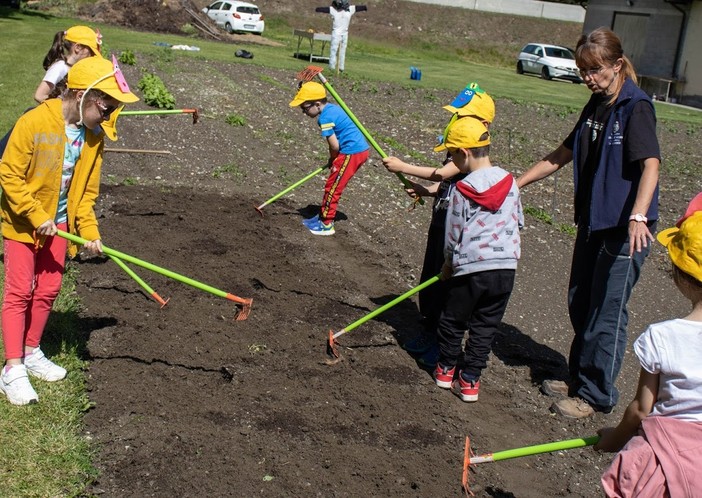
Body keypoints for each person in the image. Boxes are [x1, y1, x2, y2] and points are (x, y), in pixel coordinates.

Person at [516, 27, 661, 418]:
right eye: (583, 71)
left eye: (594, 71)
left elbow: (651, 164)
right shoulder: (597, 104)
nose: (587, 78)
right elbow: (563, 152)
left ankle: (596, 394)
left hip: (626, 228)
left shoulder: (636, 106)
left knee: (607, 311)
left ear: (616, 65)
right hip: (595, 222)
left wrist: (638, 215)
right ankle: (579, 376)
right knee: (581, 301)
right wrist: (517, 183)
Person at [0, 56, 139, 406]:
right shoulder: (34, 122)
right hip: (22, 223)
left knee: (48, 289)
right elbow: (9, 175)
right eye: (106, 109)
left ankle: (31, 351)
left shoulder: (93, 139)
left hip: (59, 227)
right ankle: (12, 368)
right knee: (20, 291)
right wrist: (34, 214)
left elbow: (86, 195)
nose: (108, 117)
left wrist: (90, 232)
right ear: (82, 95)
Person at [594, 196, 702, 496]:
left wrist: (614, 438)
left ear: (680, 275)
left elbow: (642, 409)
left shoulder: (663, 337)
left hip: (662, 461)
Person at [382, 83, 496, 368]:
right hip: (441, 218)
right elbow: (444, 182)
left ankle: (442, 343)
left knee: (447, 285)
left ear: (481, 121)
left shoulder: (471, 150)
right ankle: (428, 330)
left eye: (461, 113)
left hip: (456, 226)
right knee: (429, 279)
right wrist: (425, 190)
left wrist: (403, 167)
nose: (455, 118)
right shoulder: (458, 142)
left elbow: (444, 172)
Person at [431, 117, 523, 402]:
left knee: (452, 320)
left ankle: (446, 369)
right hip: (505, 268)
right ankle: (470, 381)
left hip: (470, 267)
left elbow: (453, 232)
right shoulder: (511, 183)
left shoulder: (461, 190)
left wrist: (448, 263)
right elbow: (519, 221)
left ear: (464, 153)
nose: (452, 161)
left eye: (452, 155)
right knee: (485, 326)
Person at [289, 81, 369, 235]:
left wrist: (333, 159)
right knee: (332, 184)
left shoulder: (324, 119)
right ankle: (322, 217)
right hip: (356, 150)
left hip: (351, 153)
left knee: (333, 187)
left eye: (304, 108)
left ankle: (326, 224)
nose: (303, 112)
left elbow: (334, 146)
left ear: (317, 104)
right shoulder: (333, 108)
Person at [34, 26, 102, 103]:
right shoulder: (60, 68)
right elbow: (39, 96)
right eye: (91, 51)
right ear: (78, 47)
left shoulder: (75, 68)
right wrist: (60, 107)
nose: (92, 56)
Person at [315, 0, 367, 73]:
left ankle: (341, 67)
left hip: (345, 33)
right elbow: (324, 9)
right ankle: (332, 67)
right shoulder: (333, 10)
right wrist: (317, 9)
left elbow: (358, 8)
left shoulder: (350, 9)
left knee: (343, 50)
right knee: (334, 50)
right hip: (336, 33)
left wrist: (364, 7)